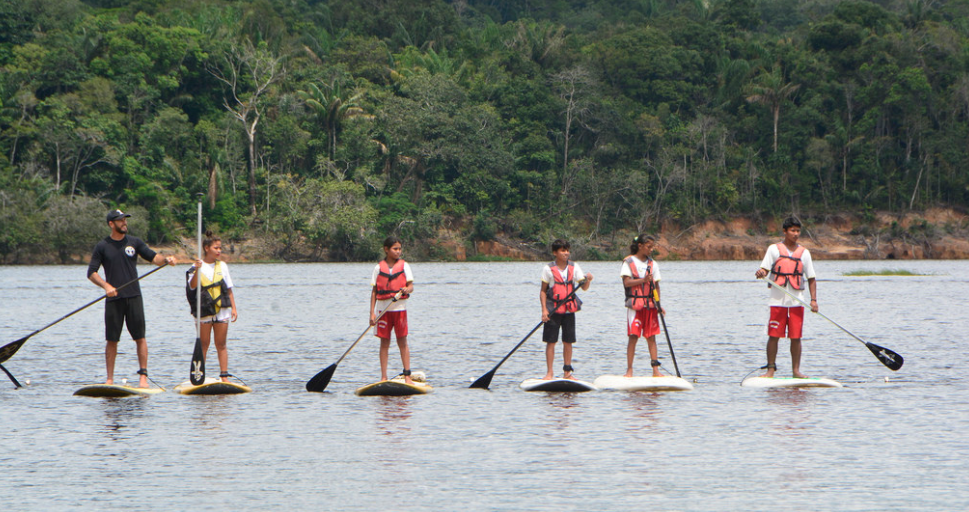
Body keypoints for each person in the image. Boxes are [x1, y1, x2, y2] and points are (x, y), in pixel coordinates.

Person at [87, 209, 176, 387]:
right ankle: (110, 379)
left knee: (140, 337)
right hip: (114, 299)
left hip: (134, 296)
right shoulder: (102, 246)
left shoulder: (134, 242)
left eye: (125, 220)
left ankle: (143, 377)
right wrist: (106, 286)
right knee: (112, 339)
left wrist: (166, 259)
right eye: (120, 220)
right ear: (111, 224)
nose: (124, 223)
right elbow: (91, 273)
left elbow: (153, 257)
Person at [754, 217, 818, 378]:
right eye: (792, 231)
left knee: (796, 337)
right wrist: (761, 273)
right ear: (785, 231)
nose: (796, 234)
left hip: (797, 302)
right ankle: (770, 370)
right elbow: (764, 270)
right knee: (774, 335)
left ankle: (796, 371)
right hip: (777, 302)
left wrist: (813, 300)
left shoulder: (804, 253)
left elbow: (811, 278)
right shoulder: (773, 250)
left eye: (798, 231)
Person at [187, 231, 238, 382]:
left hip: (221, 310)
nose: (219, 251)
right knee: (204, 344)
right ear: (207, 248)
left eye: (220, 248)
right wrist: (197, 269)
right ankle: (199, 375)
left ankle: (224, 376)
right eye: (216, 248)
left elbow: (229, 288)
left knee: (221, 344)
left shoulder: (222, 266)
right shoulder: (196, 266)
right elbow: (193, 285)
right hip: (204, 310)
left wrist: (234, 308)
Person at [539, 239, 592, 380]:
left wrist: (588, 280)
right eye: (563, 250)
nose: (566, 253)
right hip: (553, 310)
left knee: (568, 341)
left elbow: (584, 287)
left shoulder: (574, 267)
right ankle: (549, 372)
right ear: (555, 252)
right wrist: (544, 310)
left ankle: (567, 372)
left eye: (567, 250)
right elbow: (543, 291)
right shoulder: (548, 269)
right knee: (551, 341)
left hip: (569, 310)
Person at [370, 236, 416, 384]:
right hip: (383, 311)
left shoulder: (404, 266)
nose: (398, 252)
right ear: (386, 249)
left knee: (402, 341)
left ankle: (407, 375)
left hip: (400, 310)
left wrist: (406, 289)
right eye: (395, 249)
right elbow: (374, 292)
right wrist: (372, 313)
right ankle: (383, 377)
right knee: (384, 342)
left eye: (399, 249)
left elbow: (411, 287)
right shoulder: (378, 268)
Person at [620, 234, 664, 378]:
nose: (651, 250)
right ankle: (629, 370)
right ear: (640, 246)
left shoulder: (653, 264)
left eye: (652, 247)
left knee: (651, 337)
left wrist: (659, 304)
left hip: (650, 305)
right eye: (649, 247)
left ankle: (655, 370)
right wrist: (643, 280)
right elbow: (627, 282)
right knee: (633, 336)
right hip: (635, 306)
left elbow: (656, 286)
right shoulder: (629, 262)